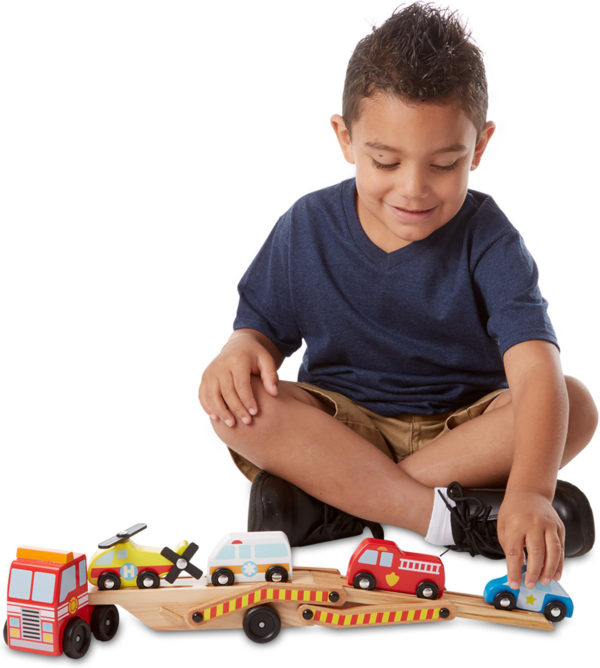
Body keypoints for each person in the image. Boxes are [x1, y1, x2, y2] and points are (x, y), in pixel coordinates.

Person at [198, 3, 597, 591]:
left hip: (462, 434)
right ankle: (447, 518)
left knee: (573, 402)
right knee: (238, 406)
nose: (413, 189)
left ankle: (338, 500)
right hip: (342, 426)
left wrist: (533, 492)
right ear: (345, 137)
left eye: (445, 164)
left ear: (479, 147)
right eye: (385, 161)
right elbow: (258, 332)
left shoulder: (490, 239)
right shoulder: (306, 226)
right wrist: (238, 349)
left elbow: (536, 370)